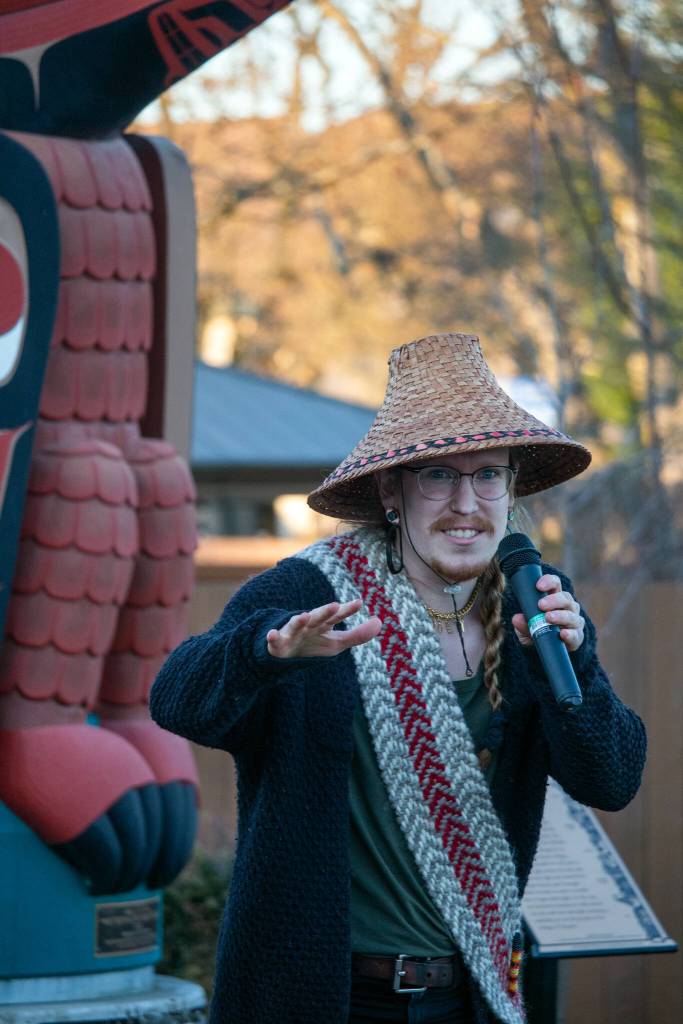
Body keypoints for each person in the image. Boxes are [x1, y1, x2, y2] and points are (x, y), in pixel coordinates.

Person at [150, 332, 646, 1024]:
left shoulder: (534, 600)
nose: (466, 504)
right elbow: (175, 699)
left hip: (469, 993)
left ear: (510, 489)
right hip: (322, 994)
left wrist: (577, 660)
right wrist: (265, 654)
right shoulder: (307, 591)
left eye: (487, 476)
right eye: (438, 475)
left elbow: (611, 779)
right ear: (392, 490)